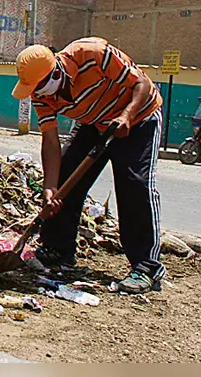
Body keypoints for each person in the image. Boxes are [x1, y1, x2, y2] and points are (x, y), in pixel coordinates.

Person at [12, 38, 165, 294]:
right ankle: (58, 250)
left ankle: (146, 267)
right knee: (64, 179)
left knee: (134, 185)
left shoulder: (92, 53)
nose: (36, 94)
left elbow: (142, 83)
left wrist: (126, 116)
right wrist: (49, 188)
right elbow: (50, 141)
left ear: (55, 74)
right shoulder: (41, 96)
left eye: (38, 87)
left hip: (139, 117)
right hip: (95, 123)